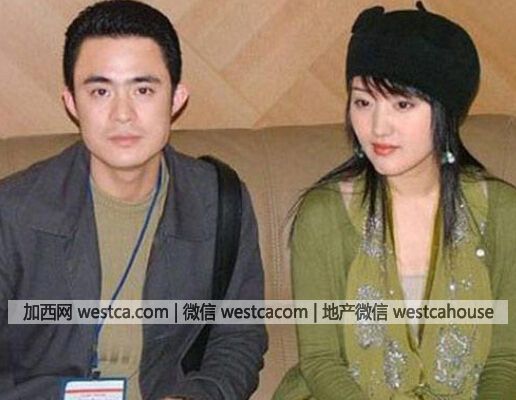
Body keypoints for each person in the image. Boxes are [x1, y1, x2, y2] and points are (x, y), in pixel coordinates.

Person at [0, 1, 267, 399]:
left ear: (176, 98)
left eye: (143, 90)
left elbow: (239, 336)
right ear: (72, 102)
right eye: (100, 91)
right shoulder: (12, 212)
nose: (122, 114)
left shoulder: (219, 201)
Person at [274, 3, 516, 399]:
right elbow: (321, 361)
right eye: (363, 102)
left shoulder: (503, 212)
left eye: (402, 104)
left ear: (446, 111)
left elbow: (506, 360)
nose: (377, 127)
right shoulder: (324, 213)